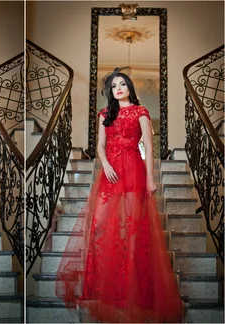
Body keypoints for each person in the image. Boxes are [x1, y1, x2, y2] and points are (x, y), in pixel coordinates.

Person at [55, 68, 183, 322]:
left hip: (134, 170)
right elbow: (100, 146)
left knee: (133, 228)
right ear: (111, 92)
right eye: (114, 86)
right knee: (100, 223)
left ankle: (132, 289)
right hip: (111, 172)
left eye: (123, 84)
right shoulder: (105, 114)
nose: (119, 88)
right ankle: (99, 285)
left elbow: (147, 146)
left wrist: (149, 179)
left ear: (129, 88)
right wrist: (107, 164)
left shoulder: (141, 113)